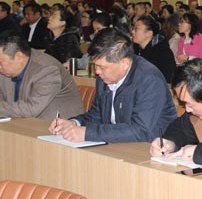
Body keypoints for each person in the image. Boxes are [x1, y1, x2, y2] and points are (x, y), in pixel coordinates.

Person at [49, 28, 177, 143]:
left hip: (150, 149)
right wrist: (74, 123)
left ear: (124, 63)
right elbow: (96, 116)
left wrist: (87, 133)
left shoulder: (149, 80)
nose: (97, 72)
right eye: (95, 66)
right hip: (117, 145)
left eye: (102, 67)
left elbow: (140, 131)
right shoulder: (104, 78)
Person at [0, 33, 84, 120]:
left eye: (0, 63)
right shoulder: (6, 69)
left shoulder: (47, 70)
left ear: (19, 57)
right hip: (22, 121)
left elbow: (31, 109)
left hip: (58, 124)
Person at [132, 16, 176, 83]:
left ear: (149, 33)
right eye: (133, 28)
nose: (132, 31)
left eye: (136, 29)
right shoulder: (134, 48)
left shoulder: (163, 52)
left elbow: (168, 78)